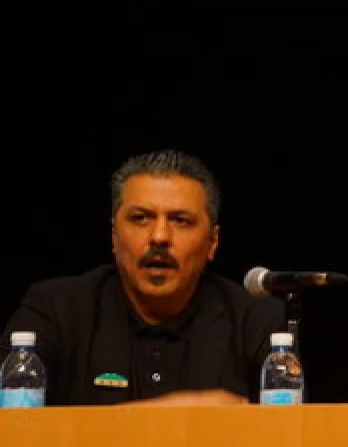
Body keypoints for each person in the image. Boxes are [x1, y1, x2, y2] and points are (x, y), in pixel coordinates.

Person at [1, 149, 285, 406]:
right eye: (141, 218)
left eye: (180, 220)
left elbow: (287, 443)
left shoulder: (256, 320)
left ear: (212, 242)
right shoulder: (56, 310)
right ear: (114, 236)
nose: (159, 237)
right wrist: (179, 412)